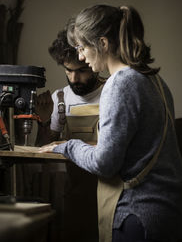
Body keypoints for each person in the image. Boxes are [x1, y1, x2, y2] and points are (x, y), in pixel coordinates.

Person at [39, 5, 182, 242]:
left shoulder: (119, 84)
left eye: (82, 47)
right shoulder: (154, 79)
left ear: (103, 44)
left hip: (137, 216)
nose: (80, 56)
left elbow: (104, 164)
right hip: (166, 213)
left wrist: (66, 145)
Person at [34, 28, 106, 242]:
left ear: (93, 63)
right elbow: (45, 148)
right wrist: (44, 121)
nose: (75, 78)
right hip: (74, 189)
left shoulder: (112, 92)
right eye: (68, 71)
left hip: (107, 188)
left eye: (82, 70)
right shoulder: (60, 98)